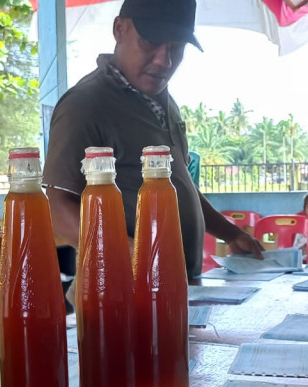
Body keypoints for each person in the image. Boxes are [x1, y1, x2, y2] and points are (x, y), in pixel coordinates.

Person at [42, 0, 263, 284]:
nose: (164, 61)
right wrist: (127, 250)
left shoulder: (164, 101)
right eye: (150, 42)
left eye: (176, 48)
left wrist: (231, 233)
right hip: (119, 296)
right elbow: (59, 206)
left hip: (177, 289)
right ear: (119, 29)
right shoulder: (85, 105)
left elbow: (182, 186)